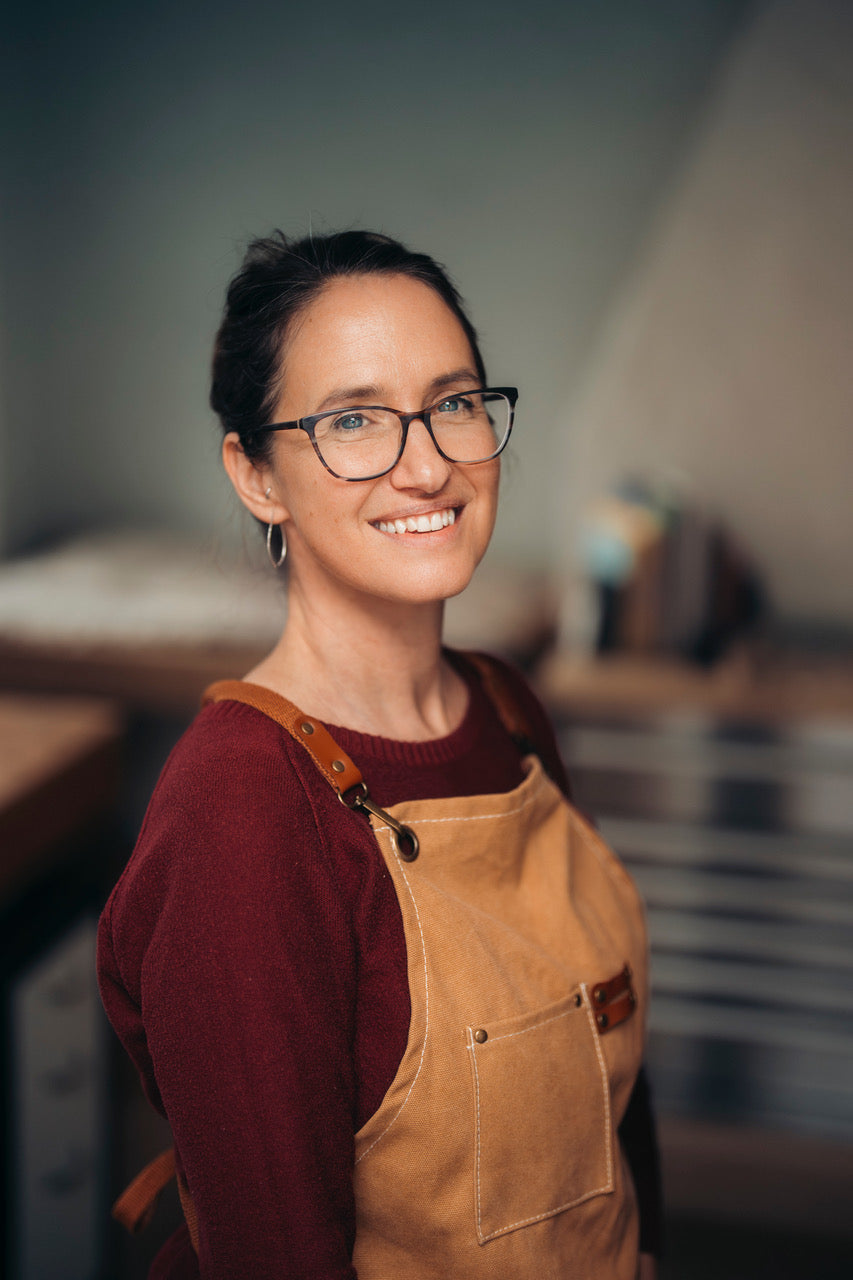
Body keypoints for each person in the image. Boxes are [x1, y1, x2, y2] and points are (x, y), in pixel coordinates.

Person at [98, 230, 662, 1279]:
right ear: (256, 474)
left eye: (452, 402)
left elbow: (614, 1132)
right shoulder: (243, 813)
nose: (428, 462)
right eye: (353, 419)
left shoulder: (506, 707)